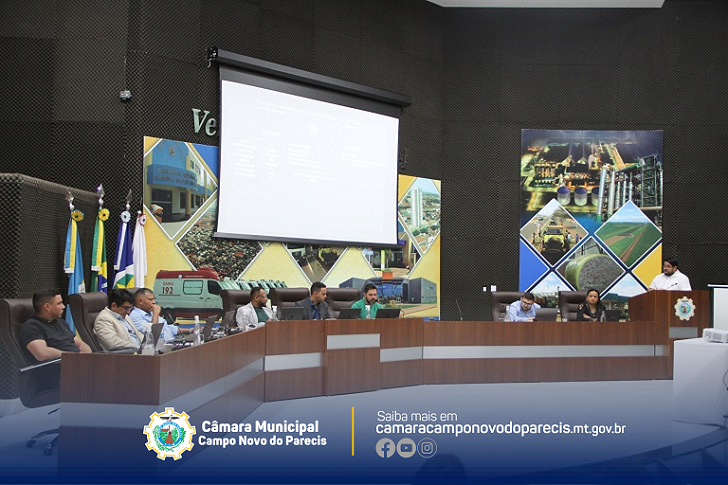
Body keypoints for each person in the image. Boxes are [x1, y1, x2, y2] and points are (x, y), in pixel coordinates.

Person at [19, 289, 92, 363]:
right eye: (59, 303)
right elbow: (42, 353)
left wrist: (87, 357)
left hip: (77, 363)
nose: (63, 306)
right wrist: (72, 356)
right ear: (47, 307)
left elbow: (80, 344)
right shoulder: (31, 327)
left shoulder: (61, 322)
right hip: (59, 367)